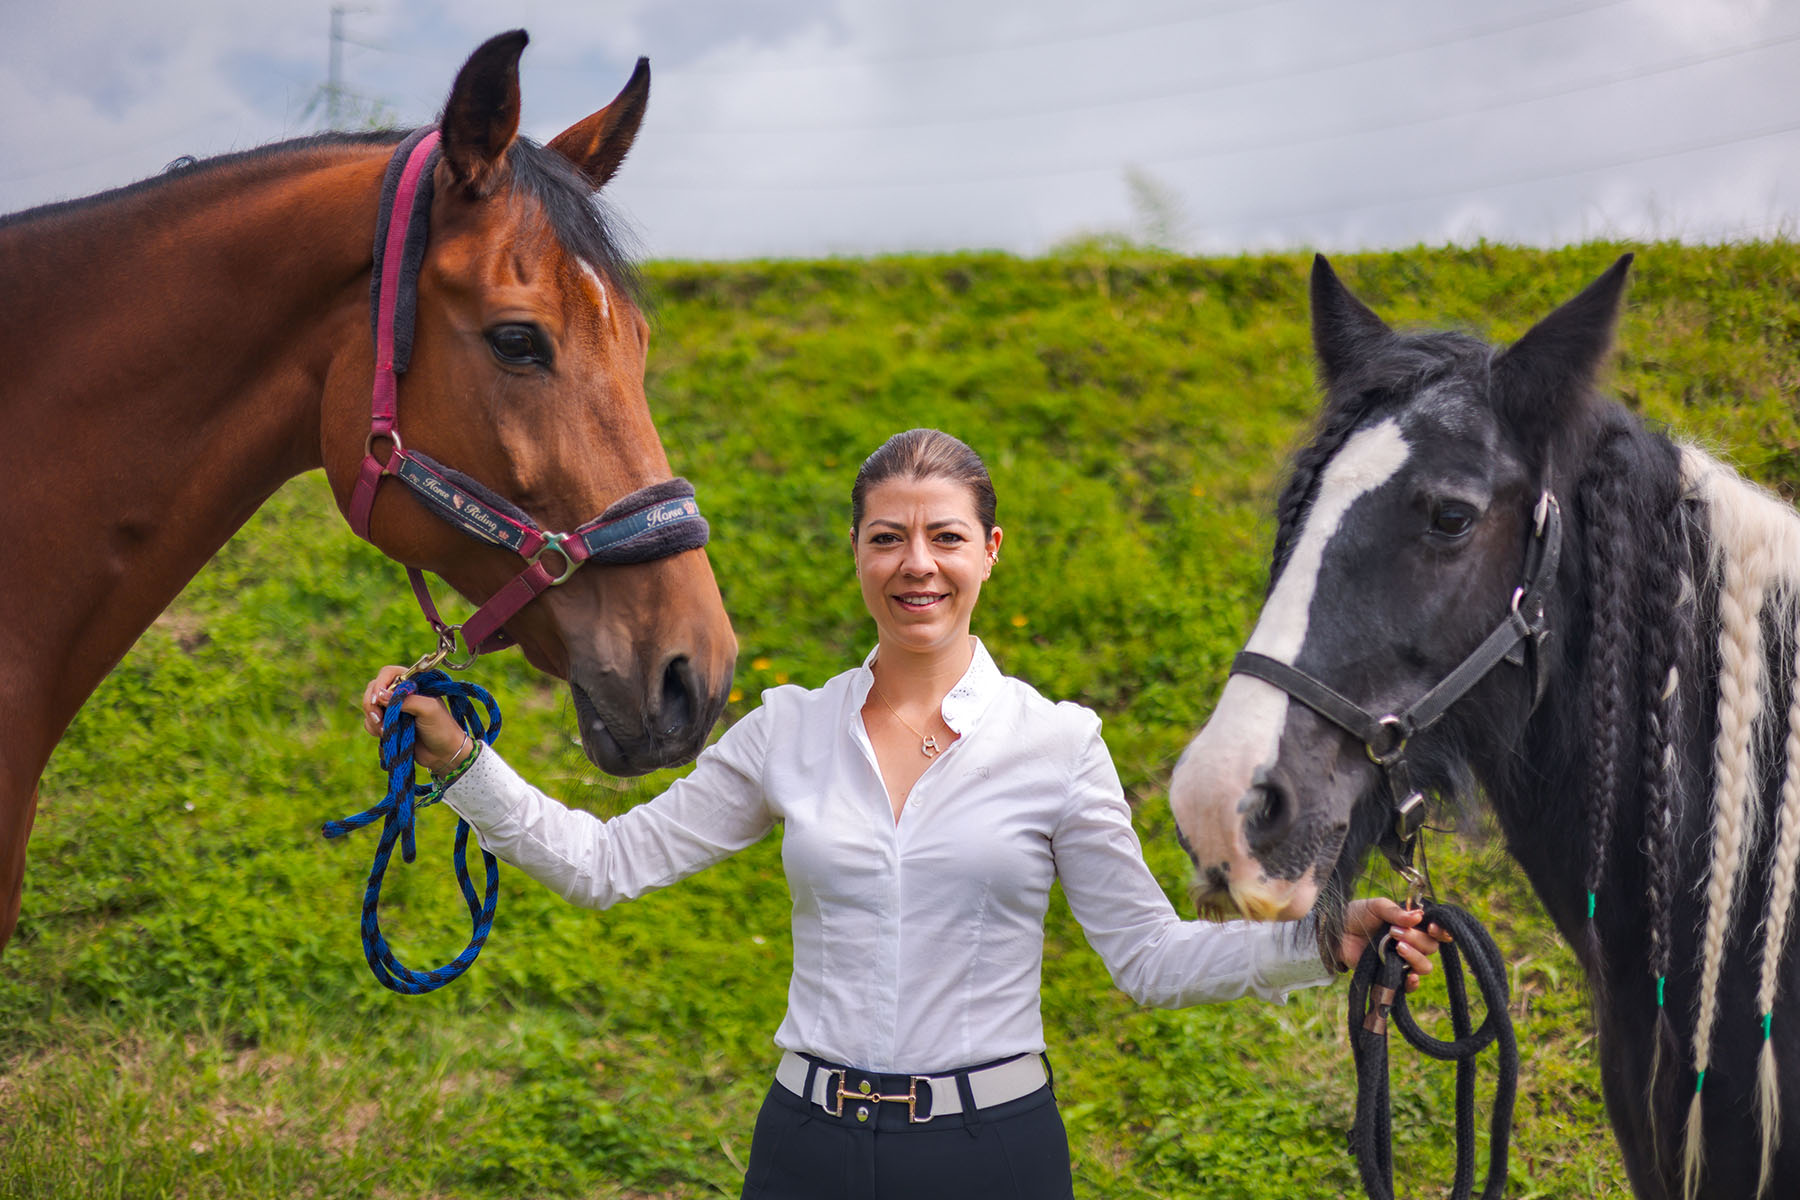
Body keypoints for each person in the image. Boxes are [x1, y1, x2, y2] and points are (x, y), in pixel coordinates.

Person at [363, 428, 1445, 1200]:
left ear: (988, 553)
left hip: (993, 1156)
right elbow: (606, 865)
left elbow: (1149, 960)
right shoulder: (787, 729)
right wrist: (464, 764)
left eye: (943, 537)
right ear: (858, 554)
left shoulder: (1056, 742)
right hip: (805, 1150)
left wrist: (1321, 944)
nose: (914, 564)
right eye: (887, 538)